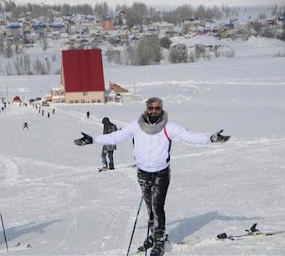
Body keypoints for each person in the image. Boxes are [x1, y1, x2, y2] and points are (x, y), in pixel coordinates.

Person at [74, 97, 230, 256]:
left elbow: (189, 136)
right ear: (146, 109)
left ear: (161, 109)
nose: (154, 111)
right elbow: (115, 137)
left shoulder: (168, 127)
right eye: (151, 108)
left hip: (161, 173)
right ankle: (153, 233)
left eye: (157, 108)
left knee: (157, 206)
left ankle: (160, 240)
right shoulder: (136, 126)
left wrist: (210, 138)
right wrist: (93, 140)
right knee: (149, 207)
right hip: (142, 172)